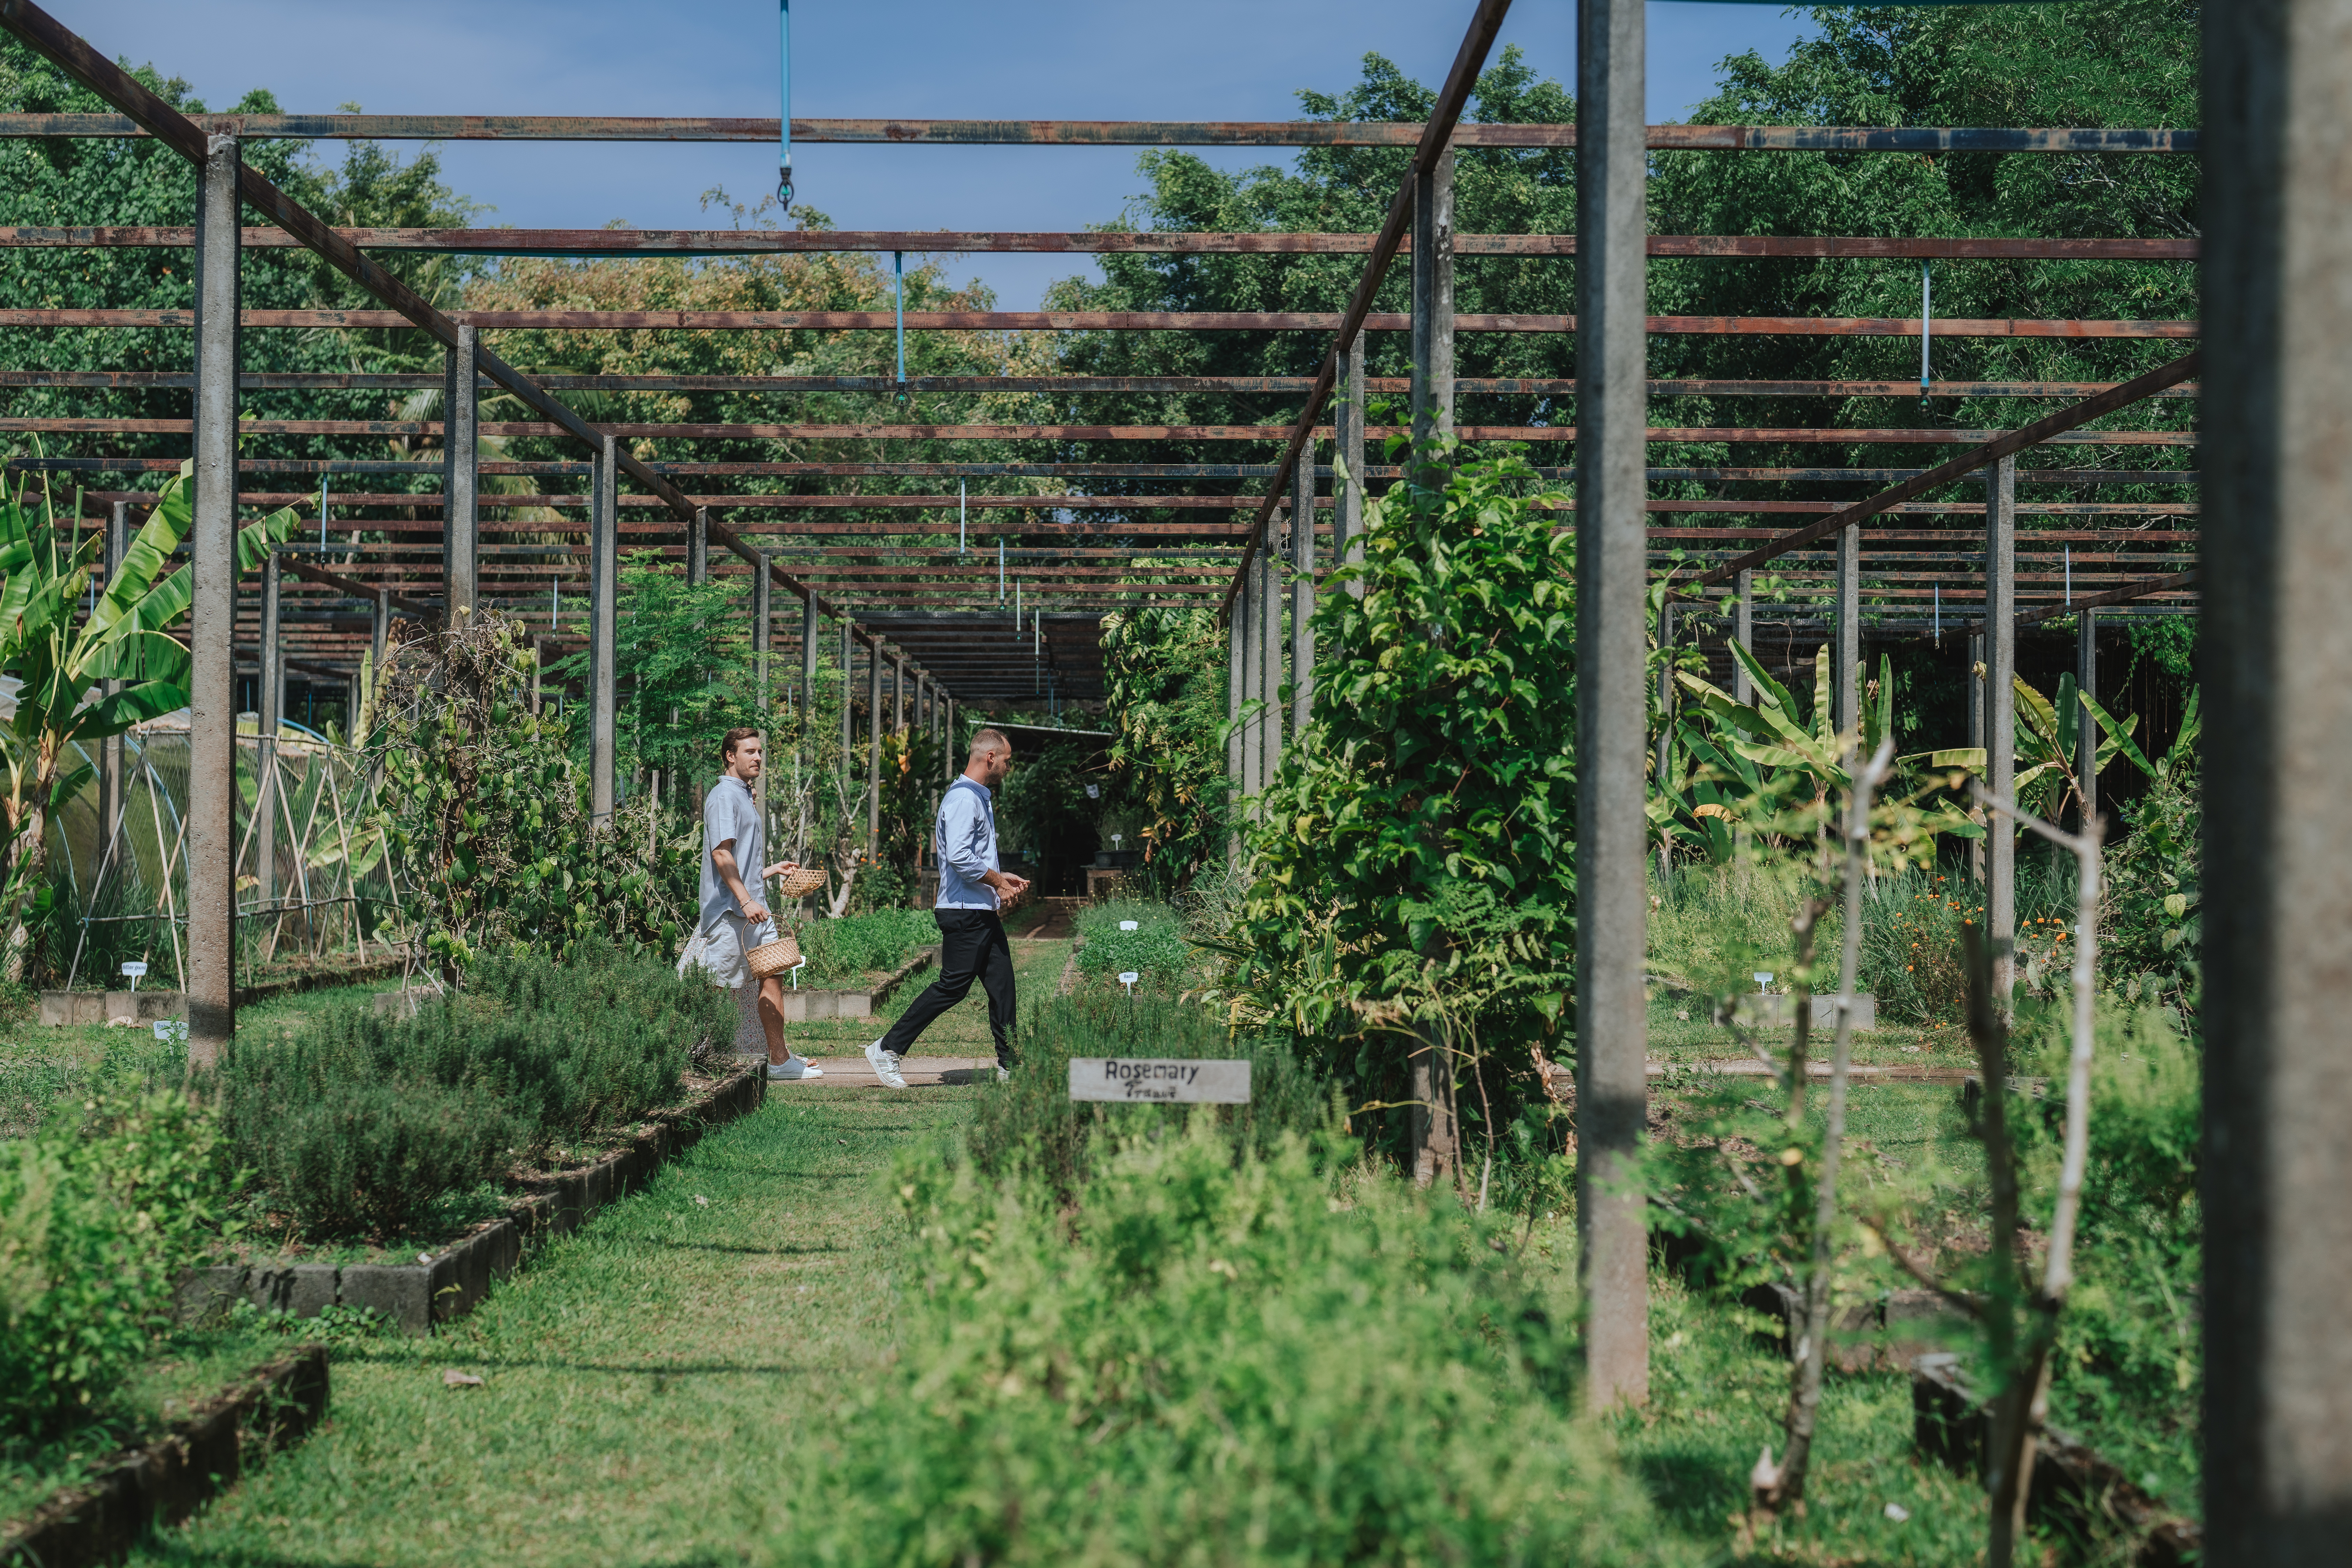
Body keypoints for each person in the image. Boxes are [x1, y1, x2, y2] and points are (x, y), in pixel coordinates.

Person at [865, 727, 1030, 1088]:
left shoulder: (975, 796)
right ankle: (886, 1048)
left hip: (977, 909)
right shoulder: (963, 799)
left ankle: (1009, 1064)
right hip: (963, 911)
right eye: (1006, 760)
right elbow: (957, 857)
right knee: (952, 987)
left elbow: (974, 856)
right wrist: (998, 883)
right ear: (990, 758)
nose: (1007, 766)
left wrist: (1001, 877)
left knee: (1002, 985)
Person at [692, 727, 822, 1081]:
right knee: (719, 989)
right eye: (750, 751)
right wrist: (746, 899)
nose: (758, 758)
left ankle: (779, 1060)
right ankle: (700, 1059)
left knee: (774, 974)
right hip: (731, 913)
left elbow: (739, 861)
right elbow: (721, 854)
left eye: (760, 751)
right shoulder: (723, 796)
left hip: (753, 908)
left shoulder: (743, 795)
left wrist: (768, 871)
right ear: (730, 756)